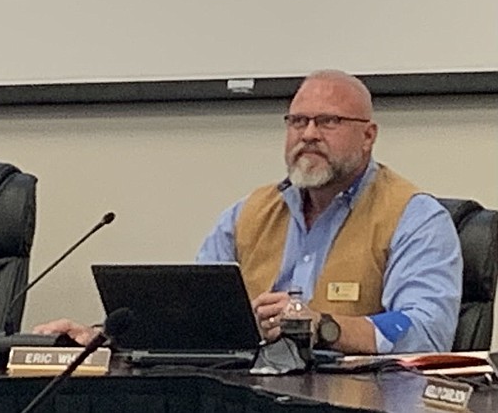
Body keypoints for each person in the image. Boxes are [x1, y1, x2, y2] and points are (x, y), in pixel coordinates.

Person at [34, 70, 462, 354]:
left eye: (328, 122)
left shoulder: (415, 217)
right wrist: (102, 339)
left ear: (368, 135)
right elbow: (192, 316)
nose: (308, 135)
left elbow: (427, 333)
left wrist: (325, 327)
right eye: (297, 121)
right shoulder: (249, 213)